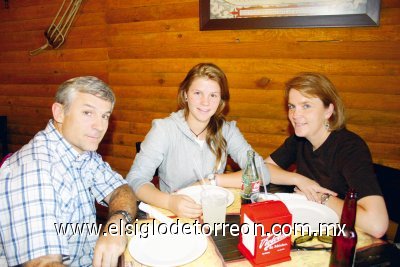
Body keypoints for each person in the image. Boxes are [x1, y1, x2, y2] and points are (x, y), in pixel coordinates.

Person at [0, 76, 137, 266]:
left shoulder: (80, 151)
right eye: (88, 113)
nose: (99, 126)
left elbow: (121, 189)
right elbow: (43, 264)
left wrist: (116, 225)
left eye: (105, 116)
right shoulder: (35, 171)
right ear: (60, 113)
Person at [126, 63, 268, 218]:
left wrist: (211, 181)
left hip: (214, 213)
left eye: (213, 95)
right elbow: (135, 180)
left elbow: (262, 173)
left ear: (221, 100)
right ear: (185, 94)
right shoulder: (164, 130)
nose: (205, 102)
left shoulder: (227, 131)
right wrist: (169, 202)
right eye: (198, 93)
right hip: (174, 217)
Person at [266, 72, 388, 238]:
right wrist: (299, 180)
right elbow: (264, 168)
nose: (295, 115)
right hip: (313, 230)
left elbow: (377, 225)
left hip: (348, 240)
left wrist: (321, 198)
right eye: (292, 106)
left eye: (306, 105)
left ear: (328, 110)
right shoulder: (300, 139)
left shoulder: (350, 147)